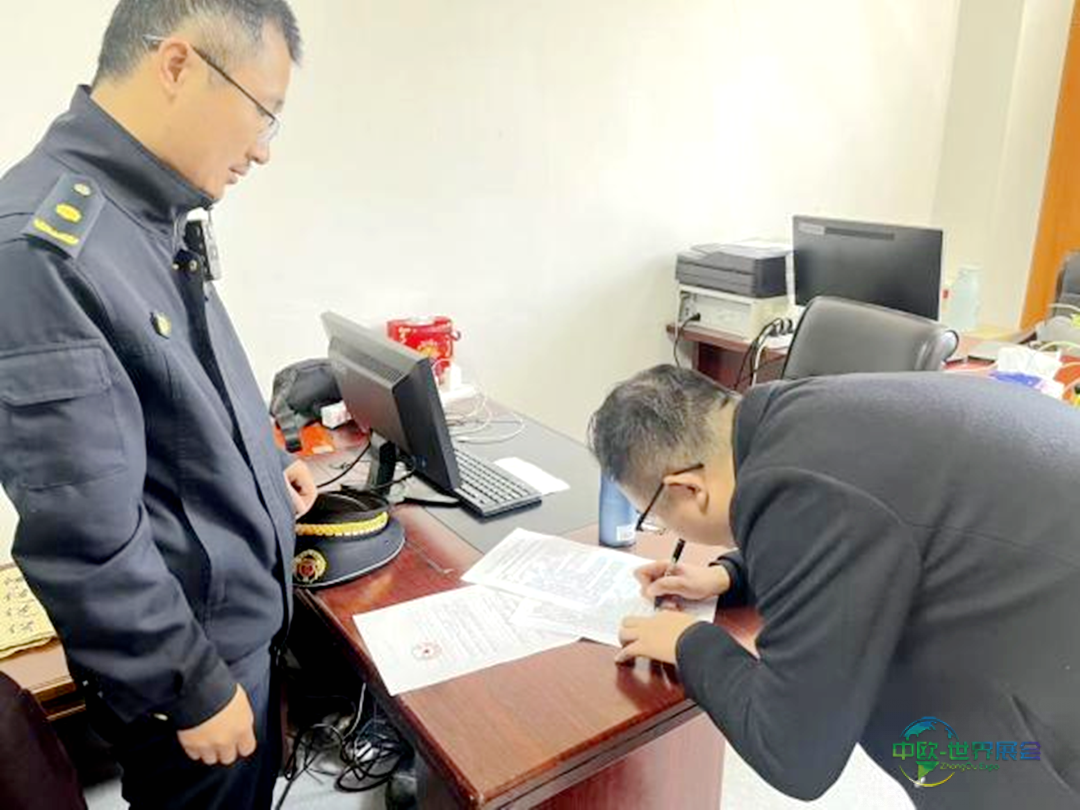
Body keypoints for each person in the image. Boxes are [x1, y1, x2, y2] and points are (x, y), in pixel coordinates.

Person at [0, 2, 316, 807]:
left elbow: (180, 402)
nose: (263, 148)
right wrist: (190, 686)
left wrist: (267, 469)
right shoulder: (44, 247)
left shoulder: (145, 210)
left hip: (229, 636)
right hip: (193, 668)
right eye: (262, 112)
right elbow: (81, 532)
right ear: (177, 65)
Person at [590, 364, 1080, 809]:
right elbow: (878, 512)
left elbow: (795, 750)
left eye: (656, 519)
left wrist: (689, 643)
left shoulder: (802, 496)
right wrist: (734, 575)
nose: (665, 531)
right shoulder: (799, 414)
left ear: (688, 488)